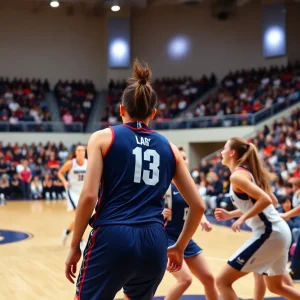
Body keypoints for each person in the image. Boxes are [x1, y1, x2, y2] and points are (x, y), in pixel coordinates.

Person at [64, 60, 205, 300]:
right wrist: (179, 248)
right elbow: (198, 206)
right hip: (154, 241)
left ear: (121, 110)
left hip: (113, 236)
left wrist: (74, 245)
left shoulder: (102, 138)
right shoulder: (170, 148)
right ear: (153, 113)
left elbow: (88, 197)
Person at [214, 137, 300, 300]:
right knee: (276, 286)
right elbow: (270, 201)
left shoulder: (238, 176)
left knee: (222, 281)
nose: (222, 152)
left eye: (224, 148)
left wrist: (242, 218)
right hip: (279, 232)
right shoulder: (247, 174)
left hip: (270, 232)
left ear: (232, 153)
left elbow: (267, 200)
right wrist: (232, 215)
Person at [162, 146, 218, 300]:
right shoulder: (163, 183)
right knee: (185, 280)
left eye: (185, 157)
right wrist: (159, 213)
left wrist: (204, 220)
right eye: (180, 157)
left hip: (185, 239)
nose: (183, 160)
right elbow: (145, 207)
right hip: (167, 239)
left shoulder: (190, 184)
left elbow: (195, 207)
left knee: (209, 279)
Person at [58, 144, 87, 246]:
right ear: (75, 152)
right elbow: (60, 173)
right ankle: (81, 240)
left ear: (85, 152)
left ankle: (66, 232)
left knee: (81, 218)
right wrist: (65, 182)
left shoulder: (89, 163)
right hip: (73, 192)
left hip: (83, 192)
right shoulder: (71, 163)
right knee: (80, 216)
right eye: (78, 150)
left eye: (82, 150)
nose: (80, 152)